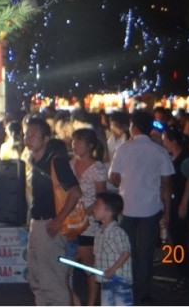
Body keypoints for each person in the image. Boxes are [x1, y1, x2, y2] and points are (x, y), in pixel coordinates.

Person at [108, 110, 174, 304]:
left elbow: (112, 176)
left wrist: (125, 183)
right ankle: (142, 291)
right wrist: (167, 212)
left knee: (127, 250)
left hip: (126, 206)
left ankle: (127, 287)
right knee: (146, 252)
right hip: (151, 208)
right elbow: (166, 185)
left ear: (133, 126)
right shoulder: (159, 151)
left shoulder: (124, 148)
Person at [25, 116, 83, 306]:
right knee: (37, 280)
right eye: (27, 134)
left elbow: (75, 192)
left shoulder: (56, 162)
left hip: (50, 225)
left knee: (52, 281)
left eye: (33, 135)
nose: (28, 138)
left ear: (45, 139)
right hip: (38, 223)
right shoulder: (34, 161)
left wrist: (58, 220)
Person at [161, 126, 189, 294]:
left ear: (173, 141)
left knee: (179, 240)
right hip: (176, 202)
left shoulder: (186, 158)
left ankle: (185, 277)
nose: (163, 143)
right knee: (177, 240)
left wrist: (184, 204)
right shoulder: (174, 156)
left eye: (165, 140)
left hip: (183, 203)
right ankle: (184, 276)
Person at [71, 128, 108, 306]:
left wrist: (87, 212)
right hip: (71, 220)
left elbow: (101, 197)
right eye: (74, 141)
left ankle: (92, 300)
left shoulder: (97, 168)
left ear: (90, 145)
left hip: (90, 221)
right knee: (69, 262)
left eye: (79, 141)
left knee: (87, 263)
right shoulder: (71, 164)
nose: (75, 145)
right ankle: (76, 299)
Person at [92, 192, 133, 306]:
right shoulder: (99, 233)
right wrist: (94, 267)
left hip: (119, 281)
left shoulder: (117, 232)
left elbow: (125, 253)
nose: (93, 209)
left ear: (108, 212)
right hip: (105, 281)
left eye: (97, 206)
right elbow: (98, 255)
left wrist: (112, 270)